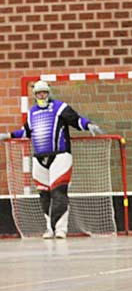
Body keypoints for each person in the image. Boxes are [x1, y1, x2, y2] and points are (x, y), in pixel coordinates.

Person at [0, 80, 102, 239]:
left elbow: (76, 120)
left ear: (49, 93)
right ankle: (49, 228)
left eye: (44, 92)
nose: (42, 95)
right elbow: (26, 132)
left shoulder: (59, 107)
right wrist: (8, 135)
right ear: (35, 96)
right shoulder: (32, 113)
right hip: (39, 158)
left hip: (60, 155)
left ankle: (61, 229)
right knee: (44, 195)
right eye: (38, 93)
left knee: (59, 192)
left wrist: (88, 125)